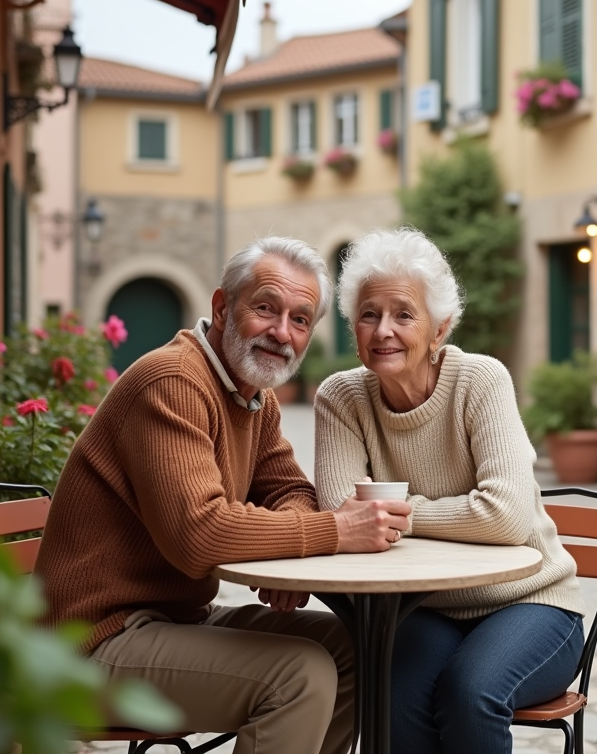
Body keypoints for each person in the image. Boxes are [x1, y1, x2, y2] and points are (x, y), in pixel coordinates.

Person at [35, 237, 412, 754]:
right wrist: (333, 532)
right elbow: (200, 534)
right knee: (299, 675)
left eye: (300, 320)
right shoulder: (171, 381)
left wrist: (290, 551)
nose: (282, 332)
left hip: (170, 619)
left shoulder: (254, 397)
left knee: (351, 651)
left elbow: (291, 489)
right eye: (265, 309)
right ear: (221, 307)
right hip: (92, 641)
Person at [313, 228, 584, 754]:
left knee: (470, 691)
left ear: (440, 329)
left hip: (531, 601)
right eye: (369, 313)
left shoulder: (480, 381)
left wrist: (402, 515)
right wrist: (372, 522)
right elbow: (342, 518)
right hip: (423, 609)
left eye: (403, 314)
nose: (383, 330)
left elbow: (506, 517)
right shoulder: (340, 398)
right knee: (390, 695)